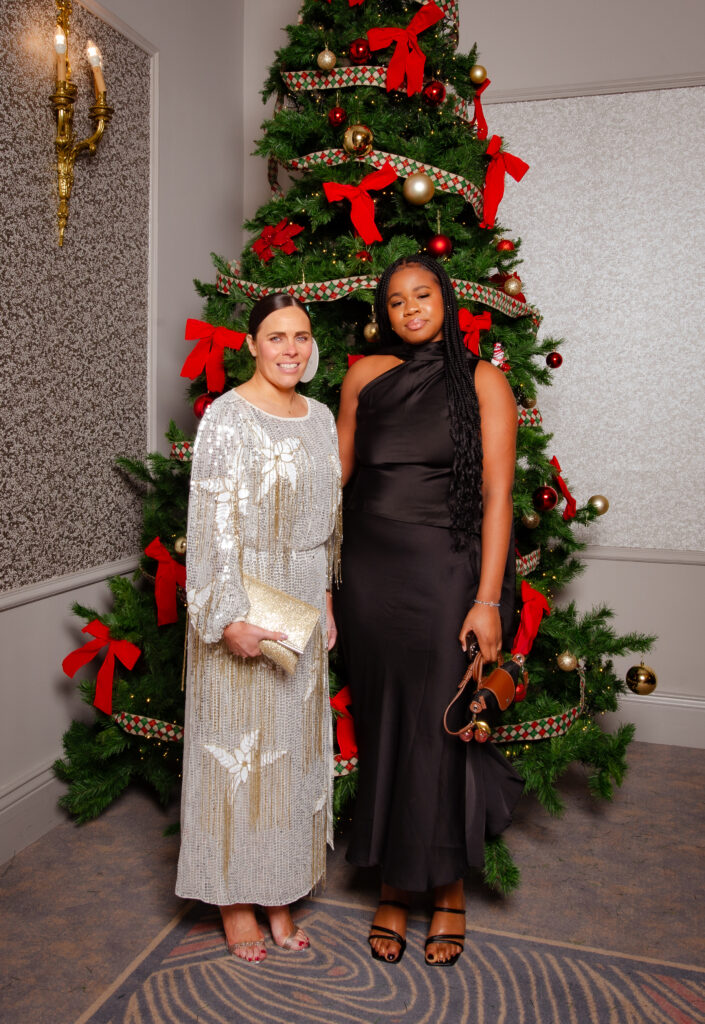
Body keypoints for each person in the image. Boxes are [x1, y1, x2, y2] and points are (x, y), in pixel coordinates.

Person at [335, 254, 523, 967]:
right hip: (369, 576)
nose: (410, 308)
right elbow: (336, 475)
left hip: (446, 573)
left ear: (445, 301)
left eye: (422, 295)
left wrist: (486, 600)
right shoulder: (363, 376)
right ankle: (392, 883)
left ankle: (446, 887)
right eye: (396, 300)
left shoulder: (482, 380)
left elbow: (497, 496)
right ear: (383, 313)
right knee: (385, 725)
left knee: (439, 730)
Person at [176, 294, 342, 964]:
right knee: (237, 752)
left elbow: (328, 521)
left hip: (301, 598)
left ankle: (278, 889)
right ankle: (234, 899)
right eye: (276, 337)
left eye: (301, 336)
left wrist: (325, 600)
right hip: (244, 594)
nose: (291, 350)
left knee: (290, 754)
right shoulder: (227, 416)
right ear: (251, 344)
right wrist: (226, 617)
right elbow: (209, 523)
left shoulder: (321, 417)